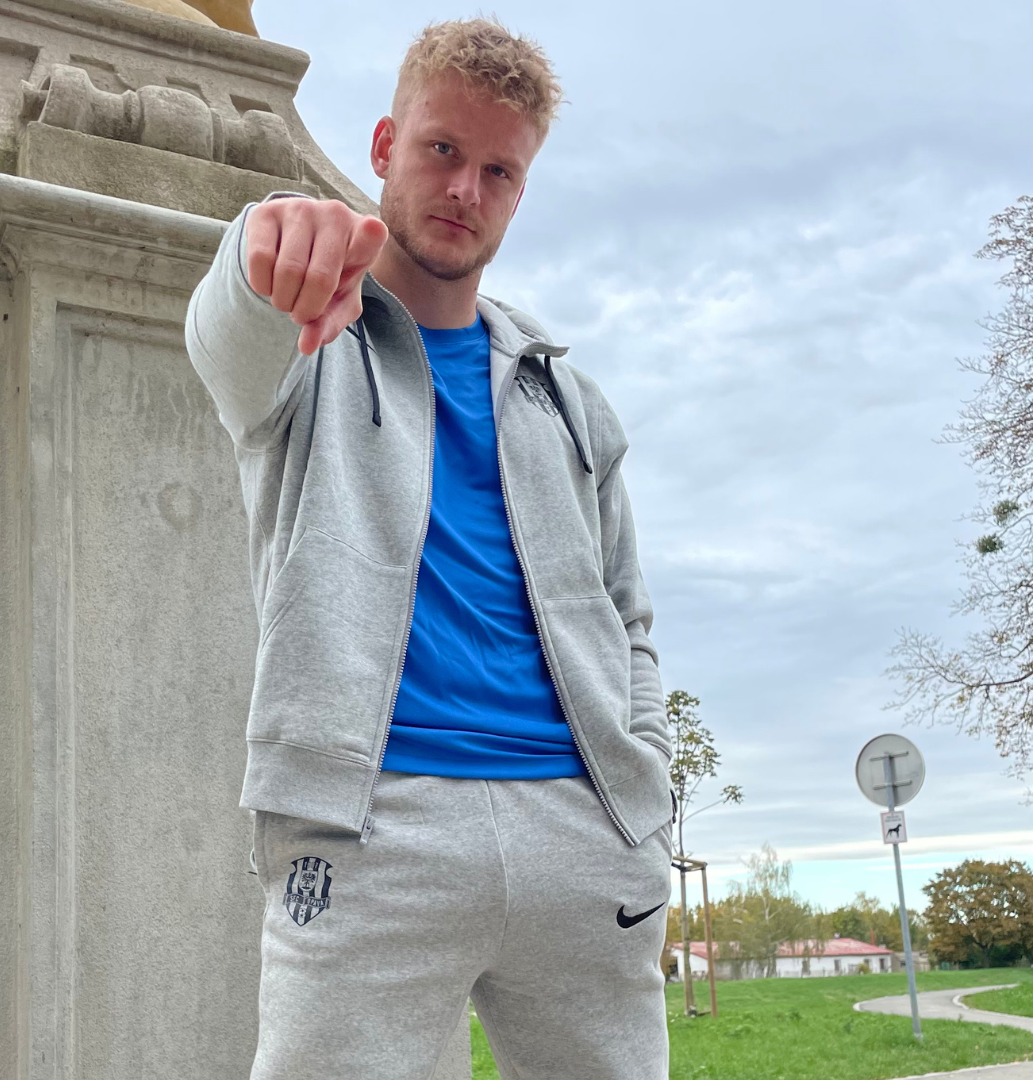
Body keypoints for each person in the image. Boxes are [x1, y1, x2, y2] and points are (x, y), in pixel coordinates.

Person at [186, 17, 676, 1080]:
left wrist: (641, 798)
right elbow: (227, 340)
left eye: (500, 170)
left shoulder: (567, 395)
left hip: (585, 834)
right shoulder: (312, 342)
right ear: (384, 145)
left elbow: (627, 614)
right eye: (442, 148)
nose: (465, 189)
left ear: (520, 192)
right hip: (368, 835)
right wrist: (261, 245)